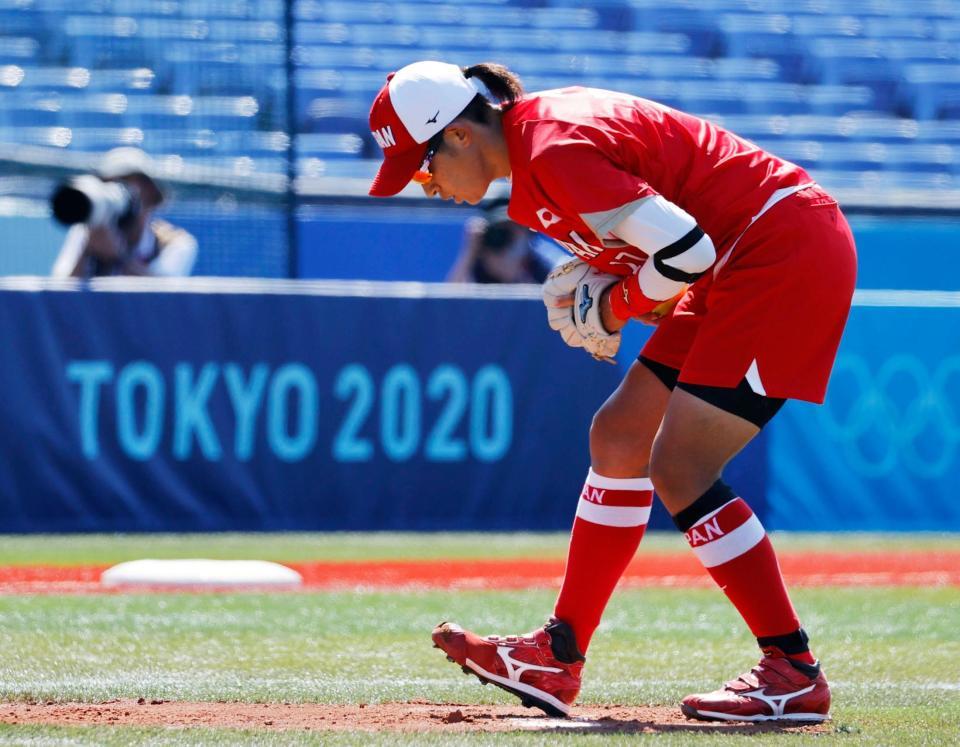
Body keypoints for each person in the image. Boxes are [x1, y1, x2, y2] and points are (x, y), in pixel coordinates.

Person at [367, 61, 856, 723]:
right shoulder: (538, 145)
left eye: (420, 167)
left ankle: (791, 668)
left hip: (779, 247)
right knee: (620, 435)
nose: (424, 187)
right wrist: (625, 290)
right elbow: (684, 251)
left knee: (681, 466)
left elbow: (687, 250)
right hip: (747, 249)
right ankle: (558, 653)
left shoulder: (553, 149)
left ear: (458, 134)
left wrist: (617, 303)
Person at [51, 148, 197, 278]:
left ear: (151, 192)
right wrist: (87, 251)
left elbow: (163, 298)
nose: (116, 189)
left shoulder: (176, 243)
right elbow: (60, 296)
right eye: (109, 183)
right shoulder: (85, 232)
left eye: (126, 182)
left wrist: (118, 257)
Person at [447, 192, 563, 284]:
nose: (504, 235)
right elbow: (450, 304)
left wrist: (518, 272)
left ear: (526, 232)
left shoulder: (543, 262)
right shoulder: (480, 256)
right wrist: (469, 252)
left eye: (512, 228)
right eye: (500, 229)